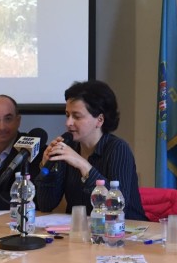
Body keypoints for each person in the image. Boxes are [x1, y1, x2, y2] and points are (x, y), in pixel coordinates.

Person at [35, 80, 147, 220]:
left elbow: (116, 207)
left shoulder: (118, 149)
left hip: (126, 229)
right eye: (67, 115)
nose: (68, 123)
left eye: (76, 116)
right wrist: (47, 168)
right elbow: (46, 205)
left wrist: (83, 165)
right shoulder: (68, 147)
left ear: (99, 120)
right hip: (83, 229)